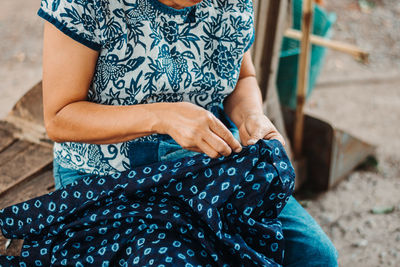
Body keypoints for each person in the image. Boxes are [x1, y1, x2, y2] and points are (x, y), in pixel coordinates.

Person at [38, 0, 338, 265]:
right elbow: (60, 117)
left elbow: (243, 76)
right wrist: (162, 116)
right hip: (109, 171)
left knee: (315, 256)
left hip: (209, 162)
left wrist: (251, 116)